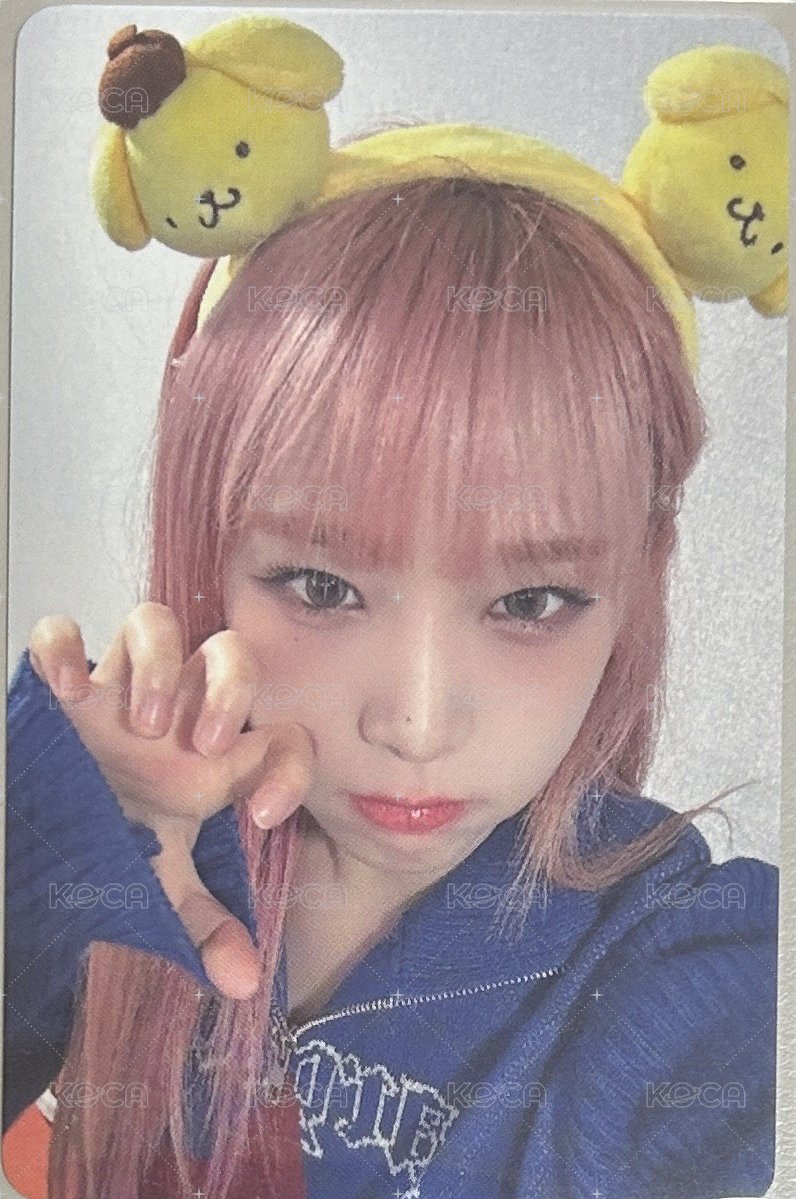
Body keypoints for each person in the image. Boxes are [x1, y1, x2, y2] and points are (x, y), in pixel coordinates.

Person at [4, 162, 777, 1197]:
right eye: (322, 585)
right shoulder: (116, 851)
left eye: (531, 600)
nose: (415, 723)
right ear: (211, 557)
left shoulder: (689, 966)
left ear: (638, 577)